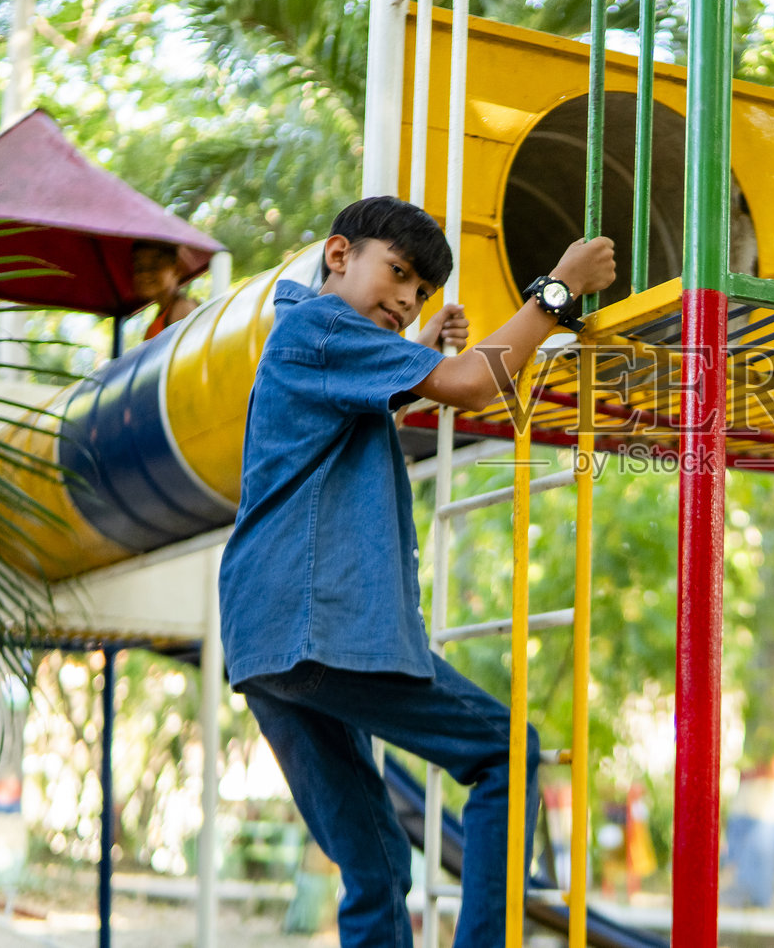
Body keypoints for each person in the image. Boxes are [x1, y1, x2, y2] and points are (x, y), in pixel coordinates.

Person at [219, 196, 615, 948]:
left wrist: (417, 351)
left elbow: (344, 430)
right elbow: (471, 383)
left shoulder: (308, 338)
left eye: (421, 293)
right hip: (321, 627)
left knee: (372, 859)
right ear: (340, 255)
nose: (406, 299)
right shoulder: (322, 324)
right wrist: (555, 291)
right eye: (397, 273)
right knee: (506, 751)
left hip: (264, 642)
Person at [131, 239, 200, 341]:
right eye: (139, 267)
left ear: (177, 269)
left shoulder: (183, 308)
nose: (145, 274)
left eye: (154, 265)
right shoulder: (157, 322)